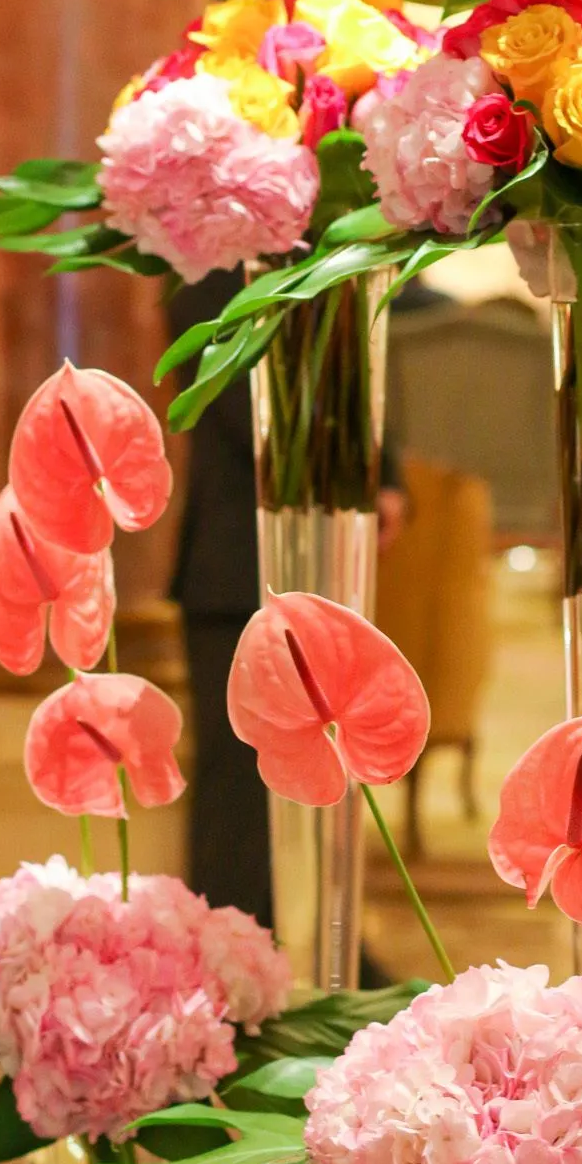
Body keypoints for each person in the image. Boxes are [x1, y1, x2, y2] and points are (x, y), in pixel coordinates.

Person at [168, 269, 406, 932]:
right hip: (233, 570)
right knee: (235, 784)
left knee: (319, 775)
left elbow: (367, 360)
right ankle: (226, 945)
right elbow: (264, 414)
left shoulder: (338, 256)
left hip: (321, 566)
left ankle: (311, 939)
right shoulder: (206, 277)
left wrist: (383, 476)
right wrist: (356, 472)